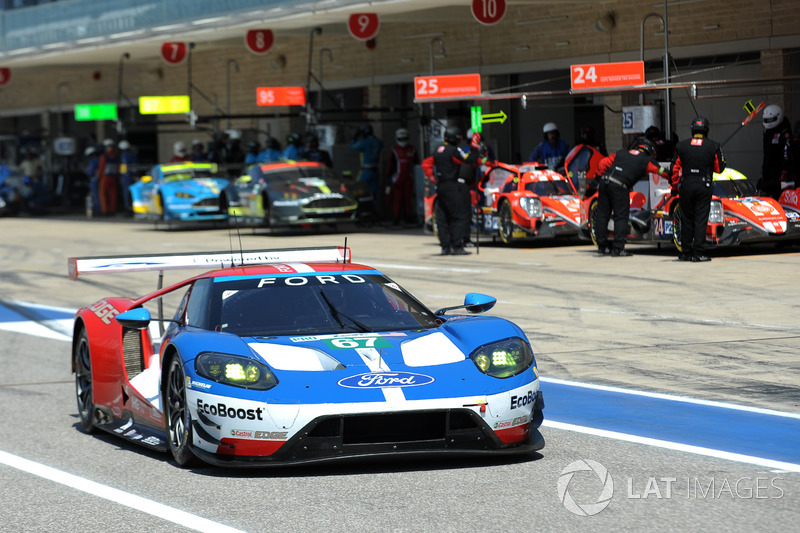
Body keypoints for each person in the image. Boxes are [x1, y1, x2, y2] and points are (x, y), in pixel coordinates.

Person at [595, 137, 669, 257]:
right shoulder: (647, 160)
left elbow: (602, 163)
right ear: (650, 151)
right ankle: (618, 249)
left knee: (602, 215)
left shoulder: (621, 152)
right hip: (620, 186)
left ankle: (602, 247)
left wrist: (597, 180)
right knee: (621, 216)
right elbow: (662, 171)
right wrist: (675, 180)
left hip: (605, 182)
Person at [670, 116, 726, 262]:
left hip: (686, 185)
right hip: (703, 186)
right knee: (700, 220)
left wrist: (675, 187)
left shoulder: (681, 146)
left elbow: (674, 169)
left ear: (692, 130)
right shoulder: (713, 145)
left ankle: (685, 253)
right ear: (707, 130)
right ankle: (698, 253)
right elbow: (719, 168)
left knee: (686, 219)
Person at [431, 126, 482, 255]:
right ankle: (457, 246)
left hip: (440, 186)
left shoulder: (437, 150)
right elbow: (469, 160)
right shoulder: (454, 151)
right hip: (452, 186)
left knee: (442, 217)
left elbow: (427, 164)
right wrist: (475, 146)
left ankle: (445, 247)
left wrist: (432, 179)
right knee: (459, 216)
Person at [385, 128, 419, 226]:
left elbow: (417, 164)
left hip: (409, 178)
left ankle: (408, 217)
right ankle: (396, 218)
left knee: (408, 199)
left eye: (405, 139)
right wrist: (389, 178)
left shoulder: (412, 149)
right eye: (401, 139)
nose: (403, 141)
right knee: (397, 199)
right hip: (397, 179)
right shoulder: (394, 150)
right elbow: (390, 166)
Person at [759, 104, 794, 200]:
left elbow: (787, 154)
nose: (768, 122)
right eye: (767, 120)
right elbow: (766, 155)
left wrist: (785, 172)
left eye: (771, 120)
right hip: (769, 174)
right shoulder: (768, 133)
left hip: (780, 175)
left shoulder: (785, 132)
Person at [349, 124, 384, 201]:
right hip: (376, 171)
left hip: (365, 171)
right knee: (374, 194)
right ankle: (375, 210)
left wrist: (354, 136)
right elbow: (381, 143)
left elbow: (352, 147)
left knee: (359, 190)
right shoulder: (378, 142)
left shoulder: (365, 142)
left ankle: (361, 210)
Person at [97, 138, 121, 215]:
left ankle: (104, 210)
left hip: (105, 177)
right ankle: (112, 210)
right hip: (114, 177)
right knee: (113, 194)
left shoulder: (104, 156)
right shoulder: (116, 156)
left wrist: (99, 176)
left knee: (103, 194)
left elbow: (101, 167)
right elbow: (118, 167)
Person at [118, 140, 138, 214]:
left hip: (126, 177)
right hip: (133, 176)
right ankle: (132, 208)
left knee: (126, 194)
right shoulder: (132, 154)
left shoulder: (124, 155)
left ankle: (128, 209)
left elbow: (124, 167)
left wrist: (122, 175)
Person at [84, 145, 101, 217]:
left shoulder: (93, 161)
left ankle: (98, 210)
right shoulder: (100, 159)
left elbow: (90, 172)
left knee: (96, 196)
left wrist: (86, 171)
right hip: (100, 180)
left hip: (94, 180)